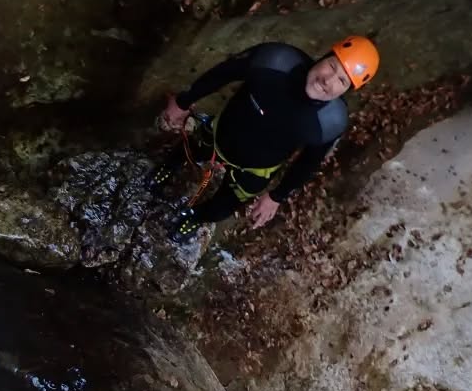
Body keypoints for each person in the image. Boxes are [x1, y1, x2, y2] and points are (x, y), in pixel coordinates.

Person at [156, 35, 379, 242]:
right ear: (324, 56)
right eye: (332, 66)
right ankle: (167, 167)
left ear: (345, 91)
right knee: (189, 150)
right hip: (220, 133)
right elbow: (224, 72)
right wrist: (184, 101)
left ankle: (196, 217)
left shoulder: (329, 122)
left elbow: (309, 162)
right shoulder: (274, 62)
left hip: (255, 169)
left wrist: (276, 196)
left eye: (341, 81)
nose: (328, 81)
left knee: (222, 207)